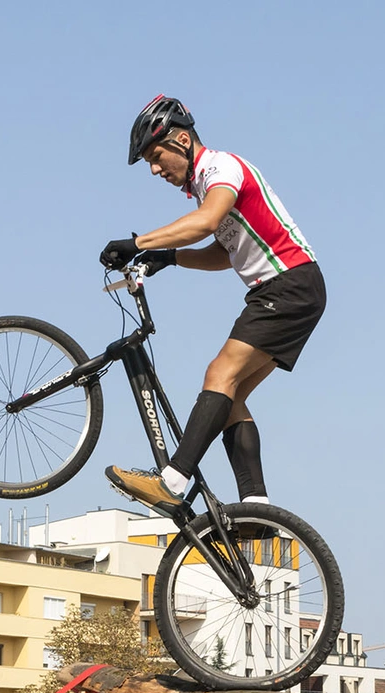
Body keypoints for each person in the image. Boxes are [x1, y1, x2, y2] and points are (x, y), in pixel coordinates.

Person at [99, 94, 324, 514]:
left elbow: (204, 222)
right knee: (231, 394)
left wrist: (137, 242)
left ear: (182, 140)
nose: (154, 169)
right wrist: (171, 258)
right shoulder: (206, 184)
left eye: (156, 155)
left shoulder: (221, 168)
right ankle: (257, 506)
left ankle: (172, 479)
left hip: (287, 285)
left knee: (219, 372)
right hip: (286, 290)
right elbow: (225, 253)